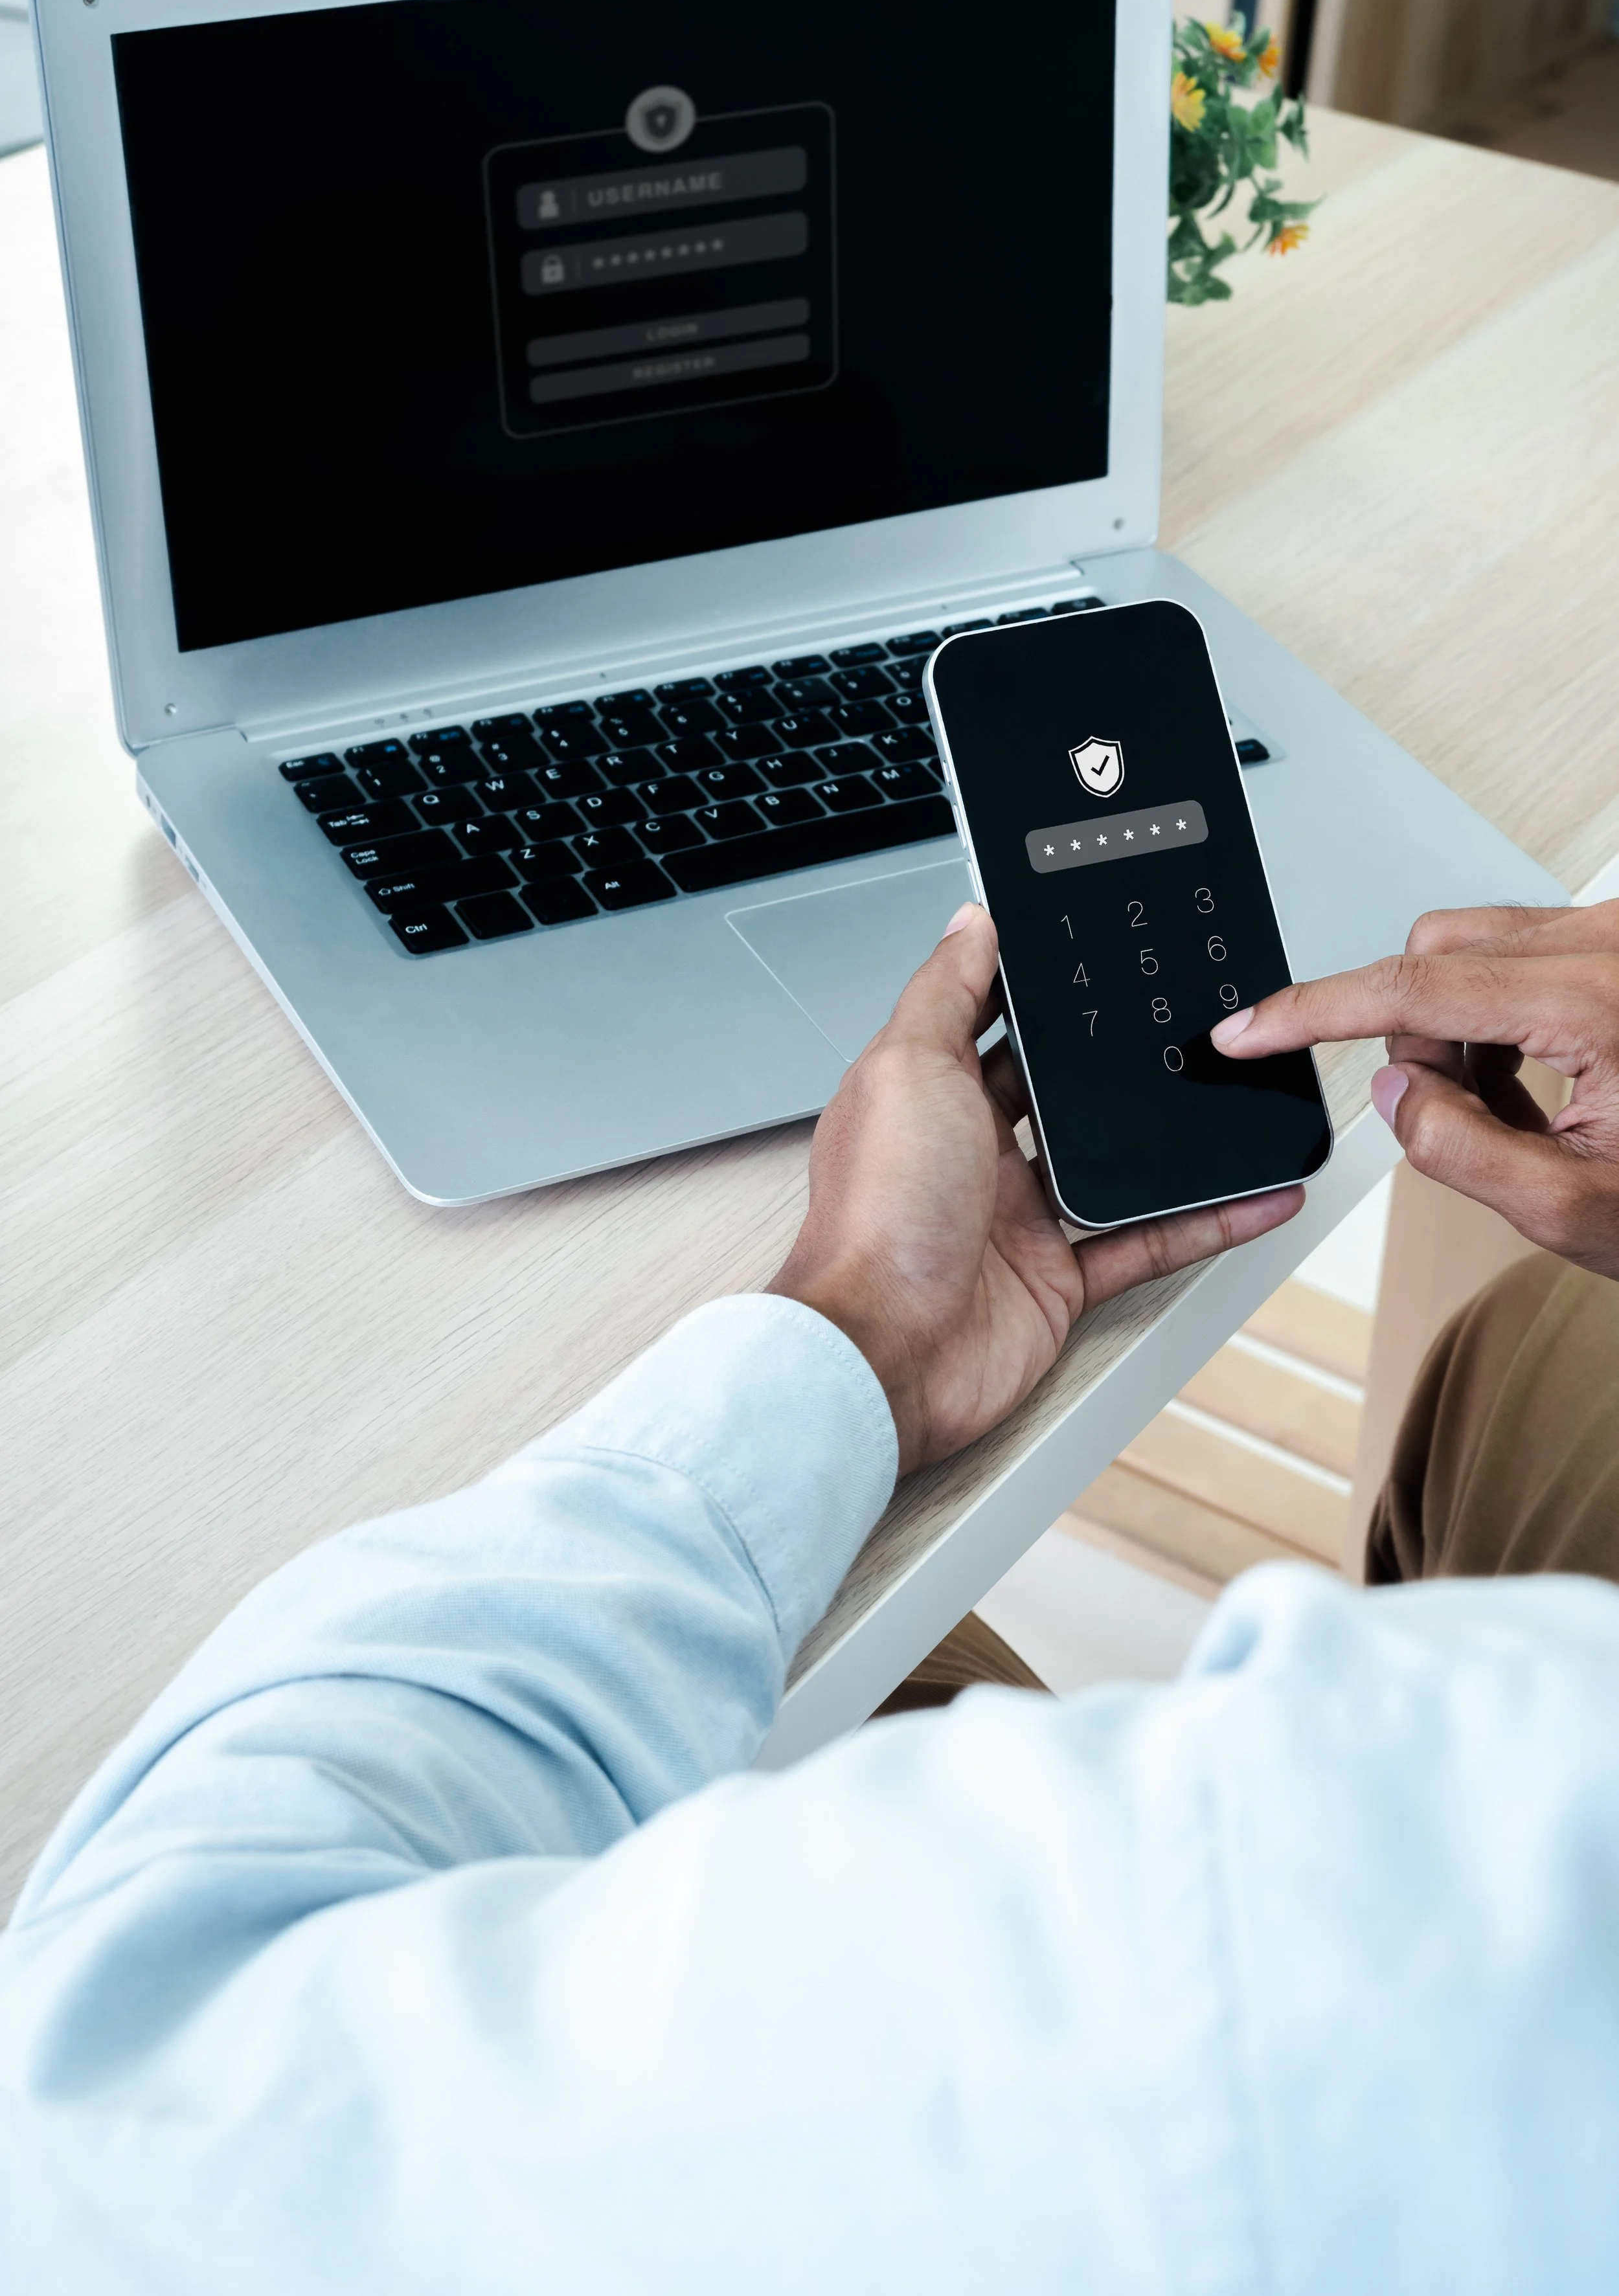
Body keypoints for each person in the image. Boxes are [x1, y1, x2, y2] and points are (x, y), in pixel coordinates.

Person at [5, 897, 1619, 2292]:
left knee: (856, 1663)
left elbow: (121, 2110)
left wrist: (848, 1338)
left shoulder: (1336, 1925)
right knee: (1554, 1361)